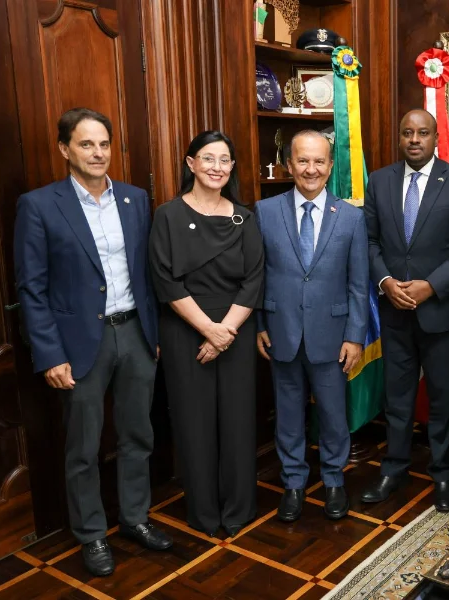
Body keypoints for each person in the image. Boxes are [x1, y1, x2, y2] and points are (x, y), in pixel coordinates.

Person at [14, 108, 171, 577]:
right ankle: (91, 534)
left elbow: (148, 273)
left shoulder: (135, 199)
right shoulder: (39, 205)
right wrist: (49, 354)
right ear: (65, 149)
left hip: (136, 336)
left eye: (104, 144)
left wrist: (153, 335)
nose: (98, 153)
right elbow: (31, 288)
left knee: (138, 435)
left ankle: (135, 519)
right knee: (83, 446)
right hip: (80, 344)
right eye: (86, 144)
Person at [362, 109, 449, 511]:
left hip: (443, 312)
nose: (415, 139)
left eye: (423, 133)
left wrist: (432, 285)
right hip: (394, 311)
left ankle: (443, 474)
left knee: (442, 398)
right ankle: (393, 468)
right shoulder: (379, 181)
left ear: (434, 138)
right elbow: (369, 243)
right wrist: (385, 282)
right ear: (400, 137)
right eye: (407, 132)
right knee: (396, 396)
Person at [149, 131, 264, 539]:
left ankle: (238, 508)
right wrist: (208, 331)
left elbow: (254, 281)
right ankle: (202, 512)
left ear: (232, 168)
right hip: (186, 330)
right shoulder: (167, 215)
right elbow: (165, 281)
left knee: (237, 421)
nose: (217, 167)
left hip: (235, 327)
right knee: (193, 423)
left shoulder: (244, 217)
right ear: (190, 163)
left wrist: (225, 332)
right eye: (208, 158)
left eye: (225, 160)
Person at [254, 130, 368, 522]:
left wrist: (355, 336)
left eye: (319, 161)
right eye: (303, 160)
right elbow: (256, 275)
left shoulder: (351, 217)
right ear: (290, 164)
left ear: (331, 166)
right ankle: (293, 483)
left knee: (334, 414)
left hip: (332, 336)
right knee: (288, 415)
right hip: (281, 331)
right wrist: (258, 323)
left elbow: (358, 284)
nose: (311, 169)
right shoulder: (265, 212)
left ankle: (334, 480)